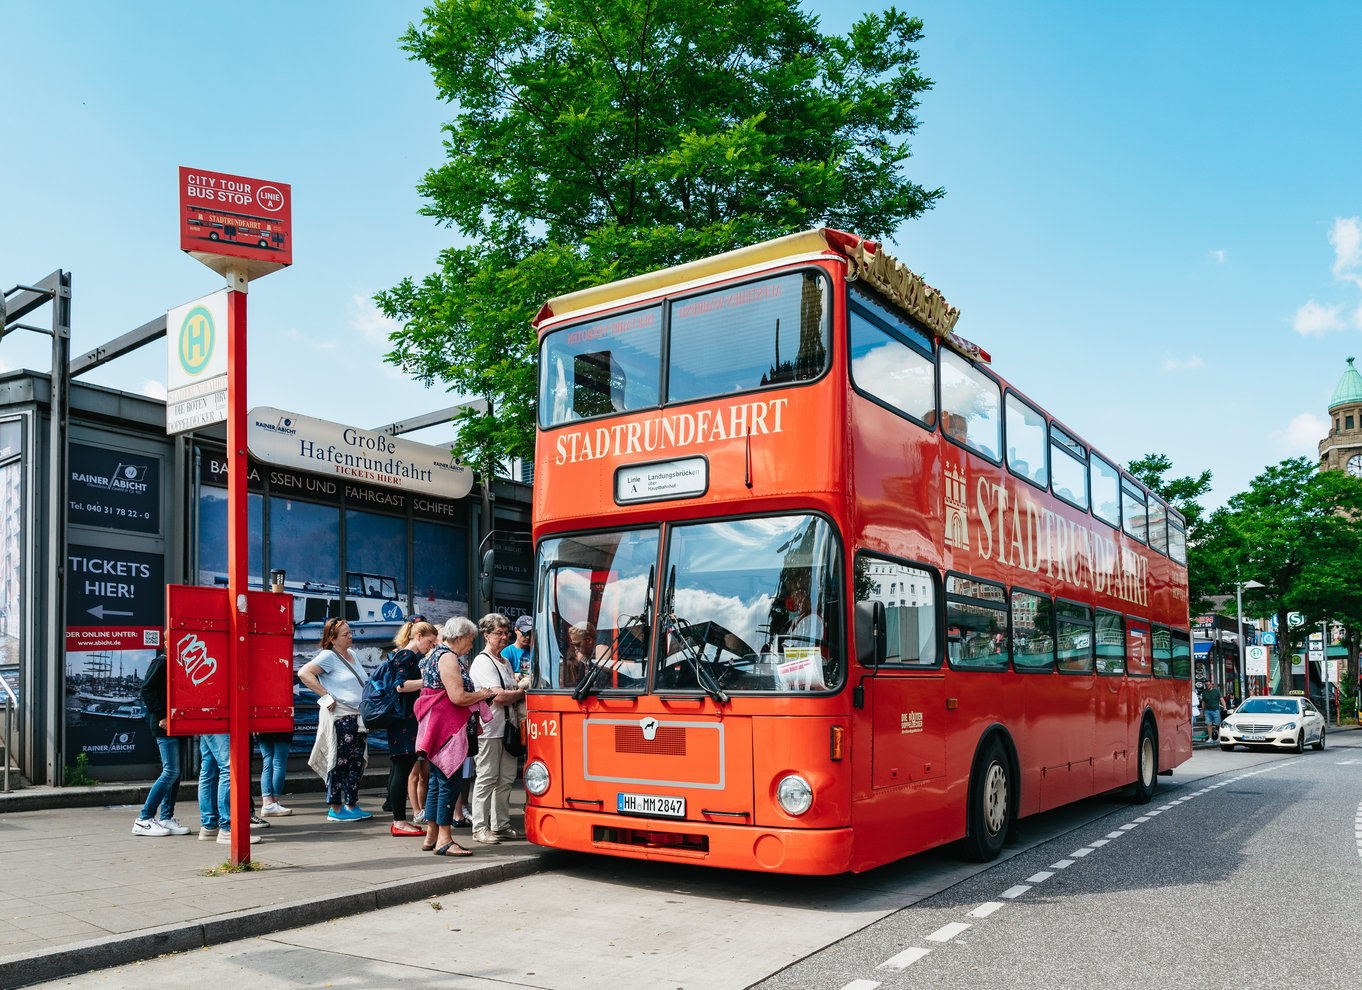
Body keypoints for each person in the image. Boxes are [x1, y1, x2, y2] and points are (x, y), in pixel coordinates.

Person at [415, 616, 497, 856]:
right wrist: (482, 694)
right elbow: (458, 697)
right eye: (470, 640)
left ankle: (431, 835)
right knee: (449, 782)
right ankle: (445, 839)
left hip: (436, 728)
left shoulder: (433, 655)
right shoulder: (448, 657)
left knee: (436, 782)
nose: (471, 645)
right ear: (459, 637)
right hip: (448, 729)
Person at [299, 618, 373, 822]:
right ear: (332, 639)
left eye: (350, 632)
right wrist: (325, 695)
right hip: (341, 717)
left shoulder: (353, 655)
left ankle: (351, 804)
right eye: (345, 634)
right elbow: (304, 672)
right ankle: (336, 807)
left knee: (355, 763)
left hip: (357, 717)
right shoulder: (328, 656)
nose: (351, 636)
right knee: (339, 762)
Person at [470, 613, 527, 844]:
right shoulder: (483, 661)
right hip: (490, 728)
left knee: (506, 778)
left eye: (506, 633)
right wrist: (522, 691)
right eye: (498, 633)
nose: (504, 637)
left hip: (507, 727)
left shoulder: (504, 661)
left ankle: (500, 824)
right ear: (486, 635)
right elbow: (499, 696)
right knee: (487, 777)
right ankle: (479, 827)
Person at [386, 618, 438, 837]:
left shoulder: (406, 655)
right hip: (405, 723)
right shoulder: (407, 655)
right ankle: (399, 821)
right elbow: (400, 685)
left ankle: (400, 819)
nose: (431, 647)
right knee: (402, 770)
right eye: (430, 642)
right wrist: (428, 680)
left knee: (403, 769)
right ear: (418, 637)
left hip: (405, 722)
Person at [132, 647, 189, 837]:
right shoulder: (162, 661)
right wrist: (162, 715)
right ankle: (144, 819)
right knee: (171, 771)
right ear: (166, 641)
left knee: (175, 773)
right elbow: (146, 689)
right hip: (164, 724)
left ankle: (166, 818)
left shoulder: (177, 662)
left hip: (177, 724)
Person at [197, 732, 261, 845]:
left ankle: (209, 826)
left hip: (207, 718)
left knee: (209, 771)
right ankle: (228, 827)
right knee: (229, 767)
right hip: (220, 718)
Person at [559, 621, 599, 689]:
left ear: (589, 640)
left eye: (577, 644)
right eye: (573, 645)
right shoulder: (582, 660)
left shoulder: (599, 659)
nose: (575, 648)